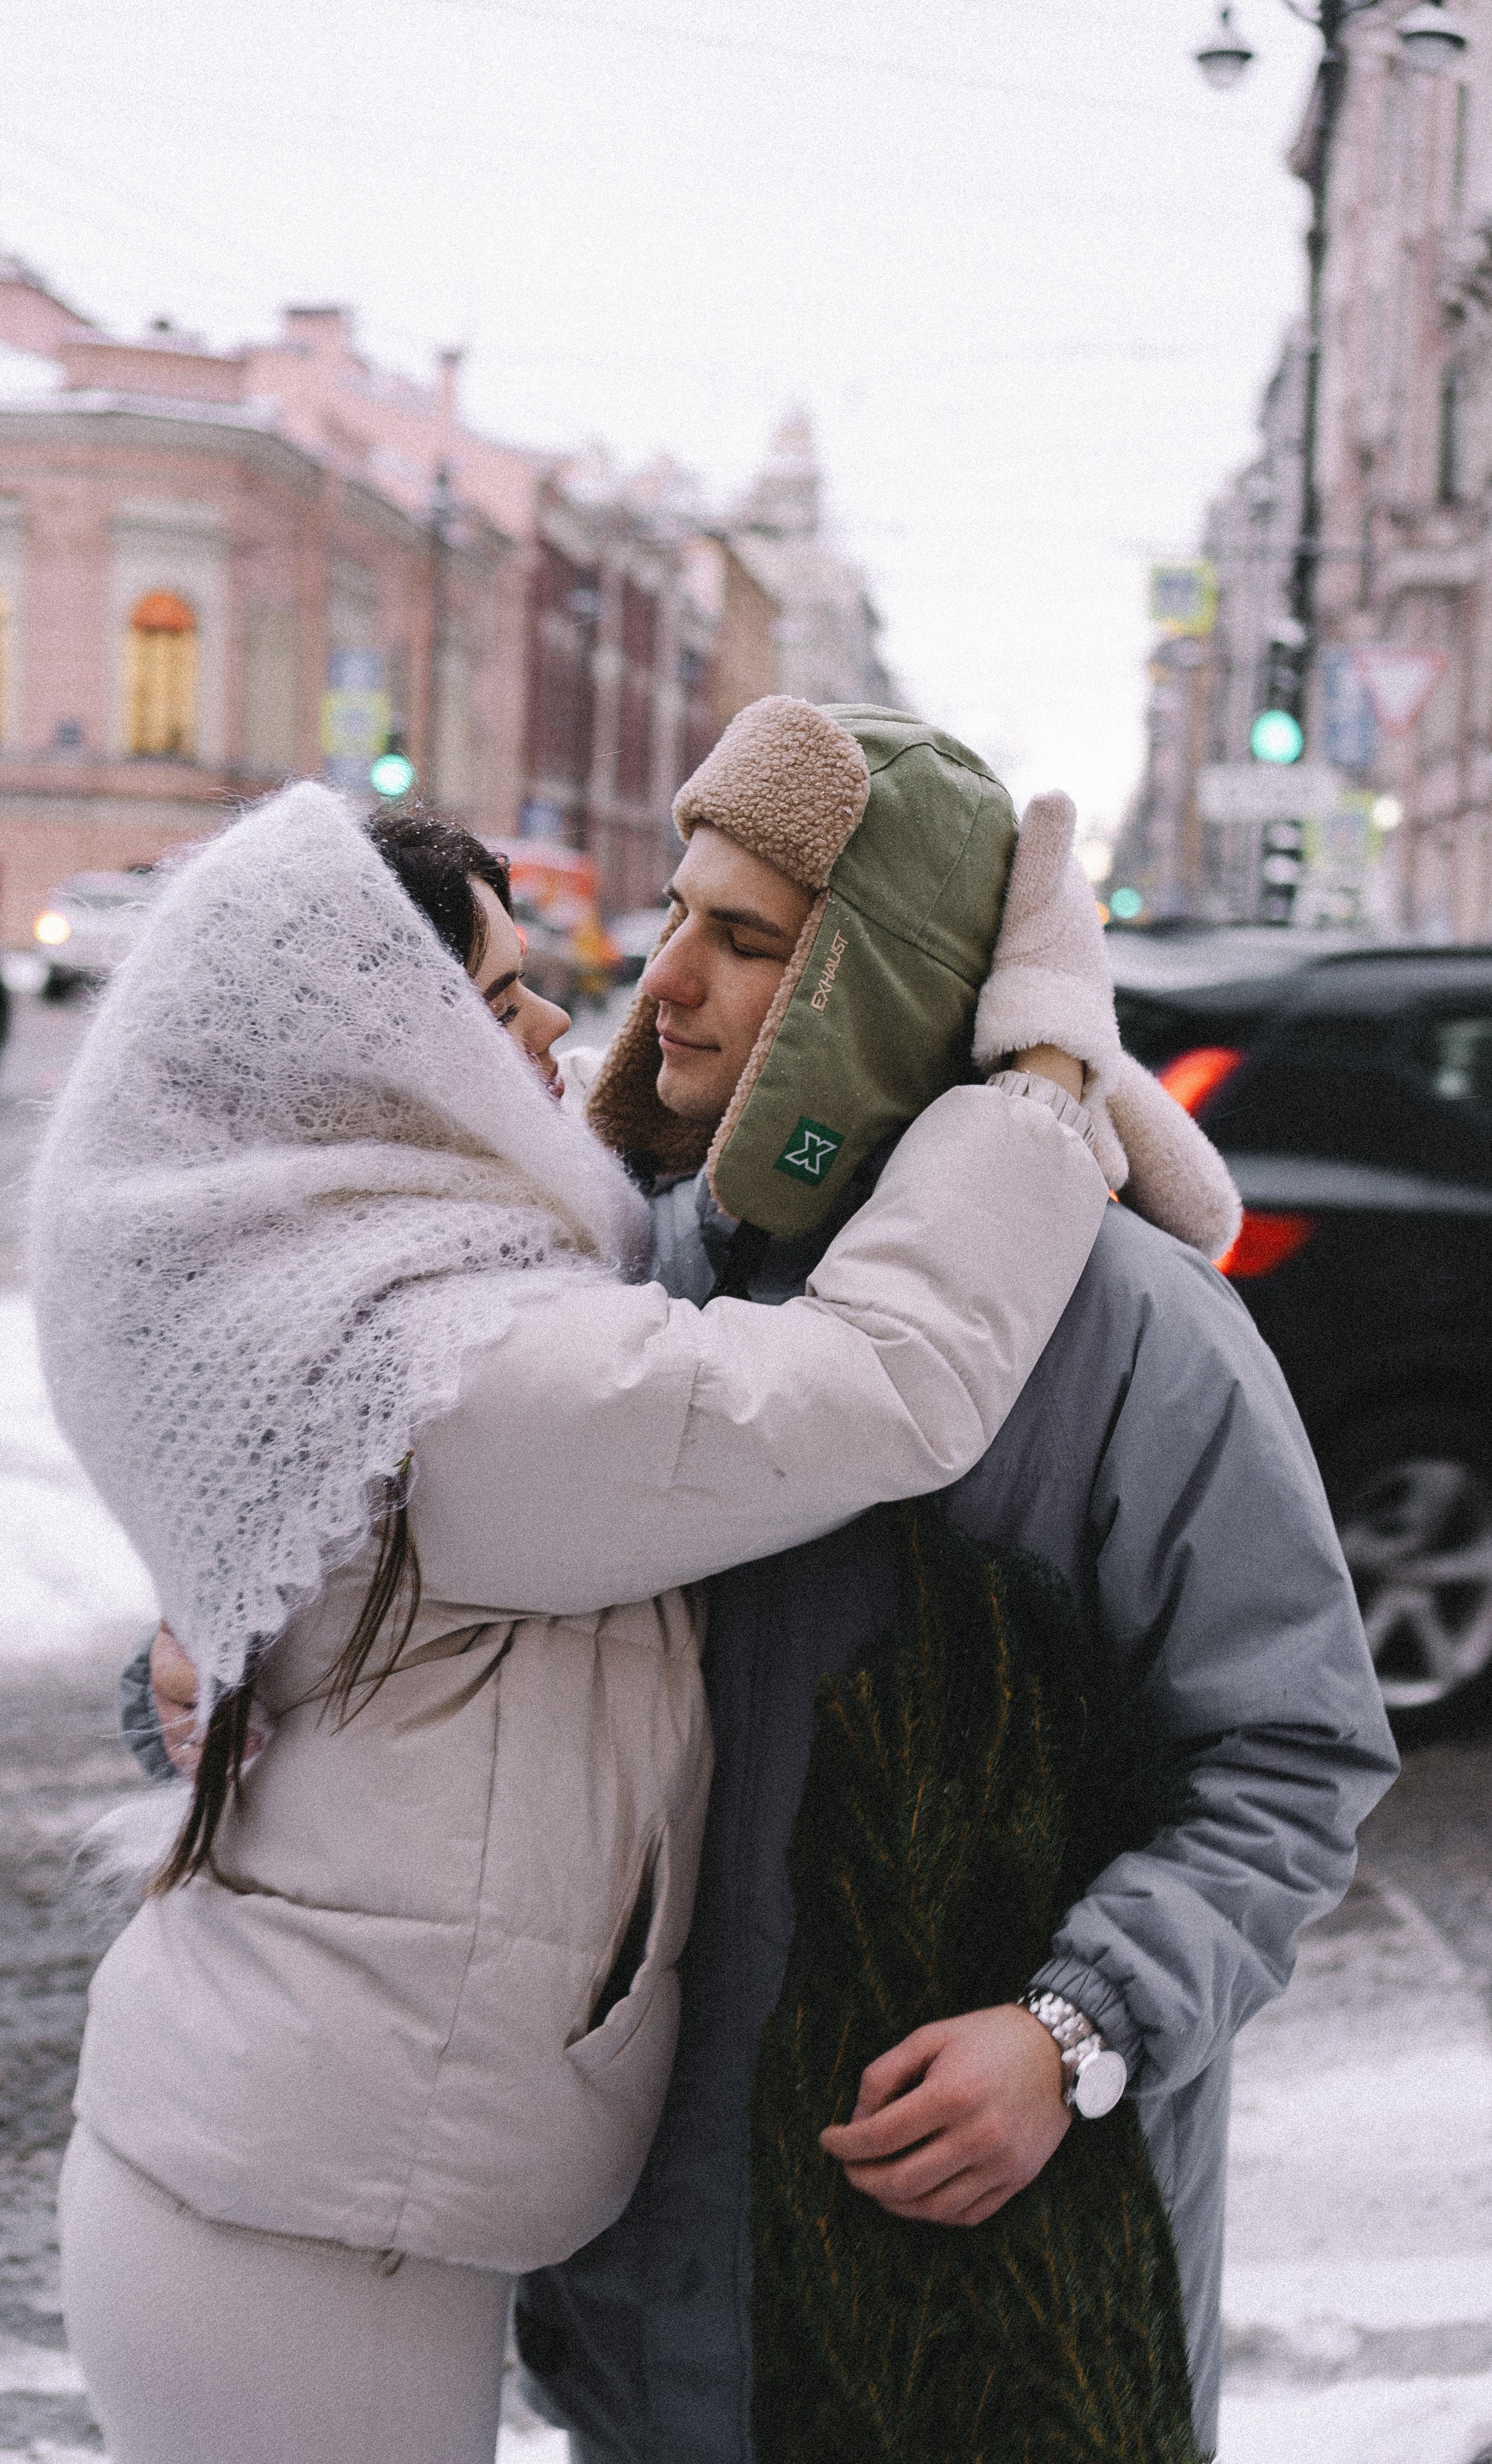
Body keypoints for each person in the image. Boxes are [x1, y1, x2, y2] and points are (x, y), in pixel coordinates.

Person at [37, 769, 1116, 2464]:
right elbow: (886, 1382)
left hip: (285, 2180)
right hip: (308, 2233)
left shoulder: (345, 1300)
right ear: (379, 1067)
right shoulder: (457, 1378)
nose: (557, 1014)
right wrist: (1047, 1079)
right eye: (492, 999)